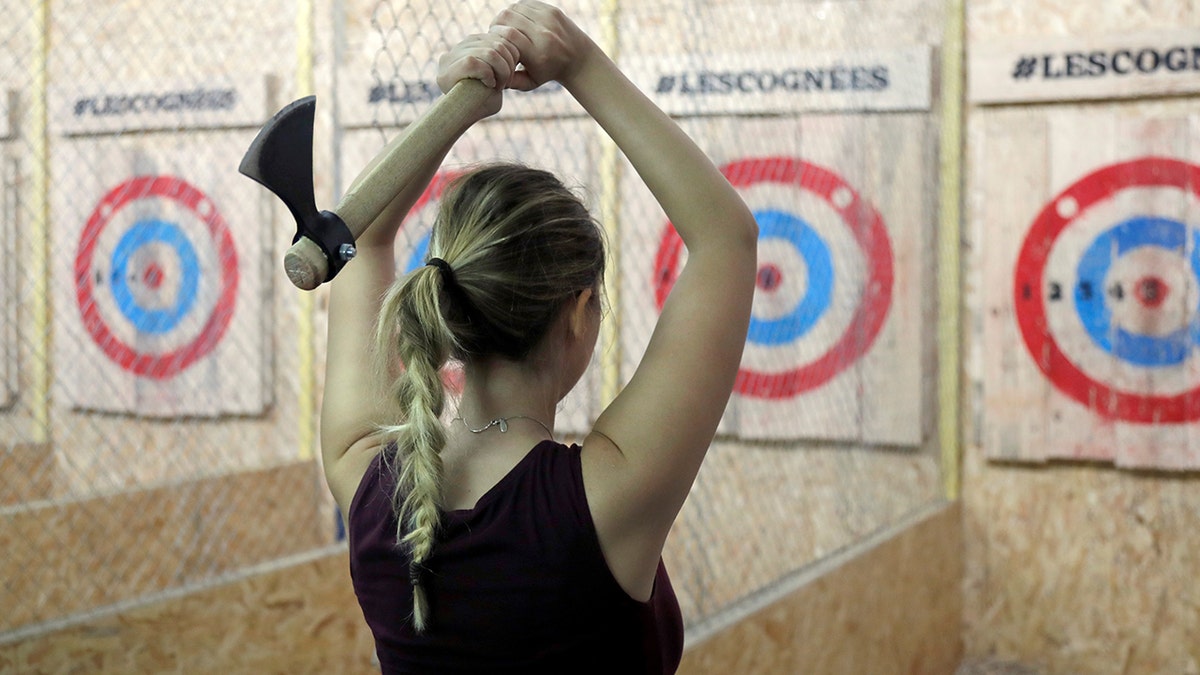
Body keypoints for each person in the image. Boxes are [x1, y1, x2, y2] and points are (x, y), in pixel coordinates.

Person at [319, 2, 758, 672]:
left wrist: (459, 107)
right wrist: (578, 62)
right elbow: (726, 238)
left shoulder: (364, 474)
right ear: (580, 310)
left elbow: (363, 235)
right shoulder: (607, 495)